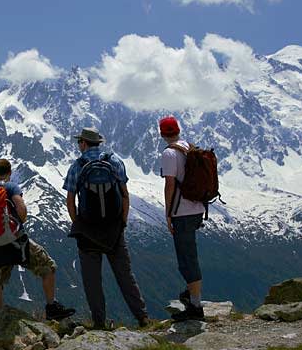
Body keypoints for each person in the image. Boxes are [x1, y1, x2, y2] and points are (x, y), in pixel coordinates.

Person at [63, 127, 150, 330]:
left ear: (84, 143)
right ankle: (143, 317)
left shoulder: (77, 166)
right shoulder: (115, 161)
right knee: (125, 275)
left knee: (92, 280)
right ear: (98, 143)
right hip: (113, 229)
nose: (78, 145)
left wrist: (79, 224)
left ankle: (99, 322)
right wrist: (122, 222)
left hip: (88, 231)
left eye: (79, 142)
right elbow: (125, 194)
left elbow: (70, 200)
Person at [0, 158, 75, 321]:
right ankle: (51, 307)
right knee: (48, 266)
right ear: (10, 172)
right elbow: (22, 210)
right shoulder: (11, 187)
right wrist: (17, 224)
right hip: (17, 240)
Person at [159, 116, 206, 321]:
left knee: (187, 259)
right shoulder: (190, 148)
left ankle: (195, 306)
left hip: (182, 212)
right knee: (189, 255)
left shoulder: (170, 153)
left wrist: (168, 212)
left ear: (162, 134)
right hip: (197, 209)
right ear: (178, 130)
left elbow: (170, 185)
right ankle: (191, 294)